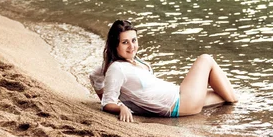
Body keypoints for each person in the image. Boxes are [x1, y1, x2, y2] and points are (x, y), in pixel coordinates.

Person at [89, 20, 238, 122]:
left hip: (180, 98)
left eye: (134, 40)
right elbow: (107, 103)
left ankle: (237, 108)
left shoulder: (129, 61)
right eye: (125, 42)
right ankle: (237, 105)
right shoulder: (117, 68)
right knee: (205, 59)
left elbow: (95, 75)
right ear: (115, 45)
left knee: (225, 96)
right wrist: (120, 106)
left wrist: (114, 96)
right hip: (180, 102)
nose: (131, 46)